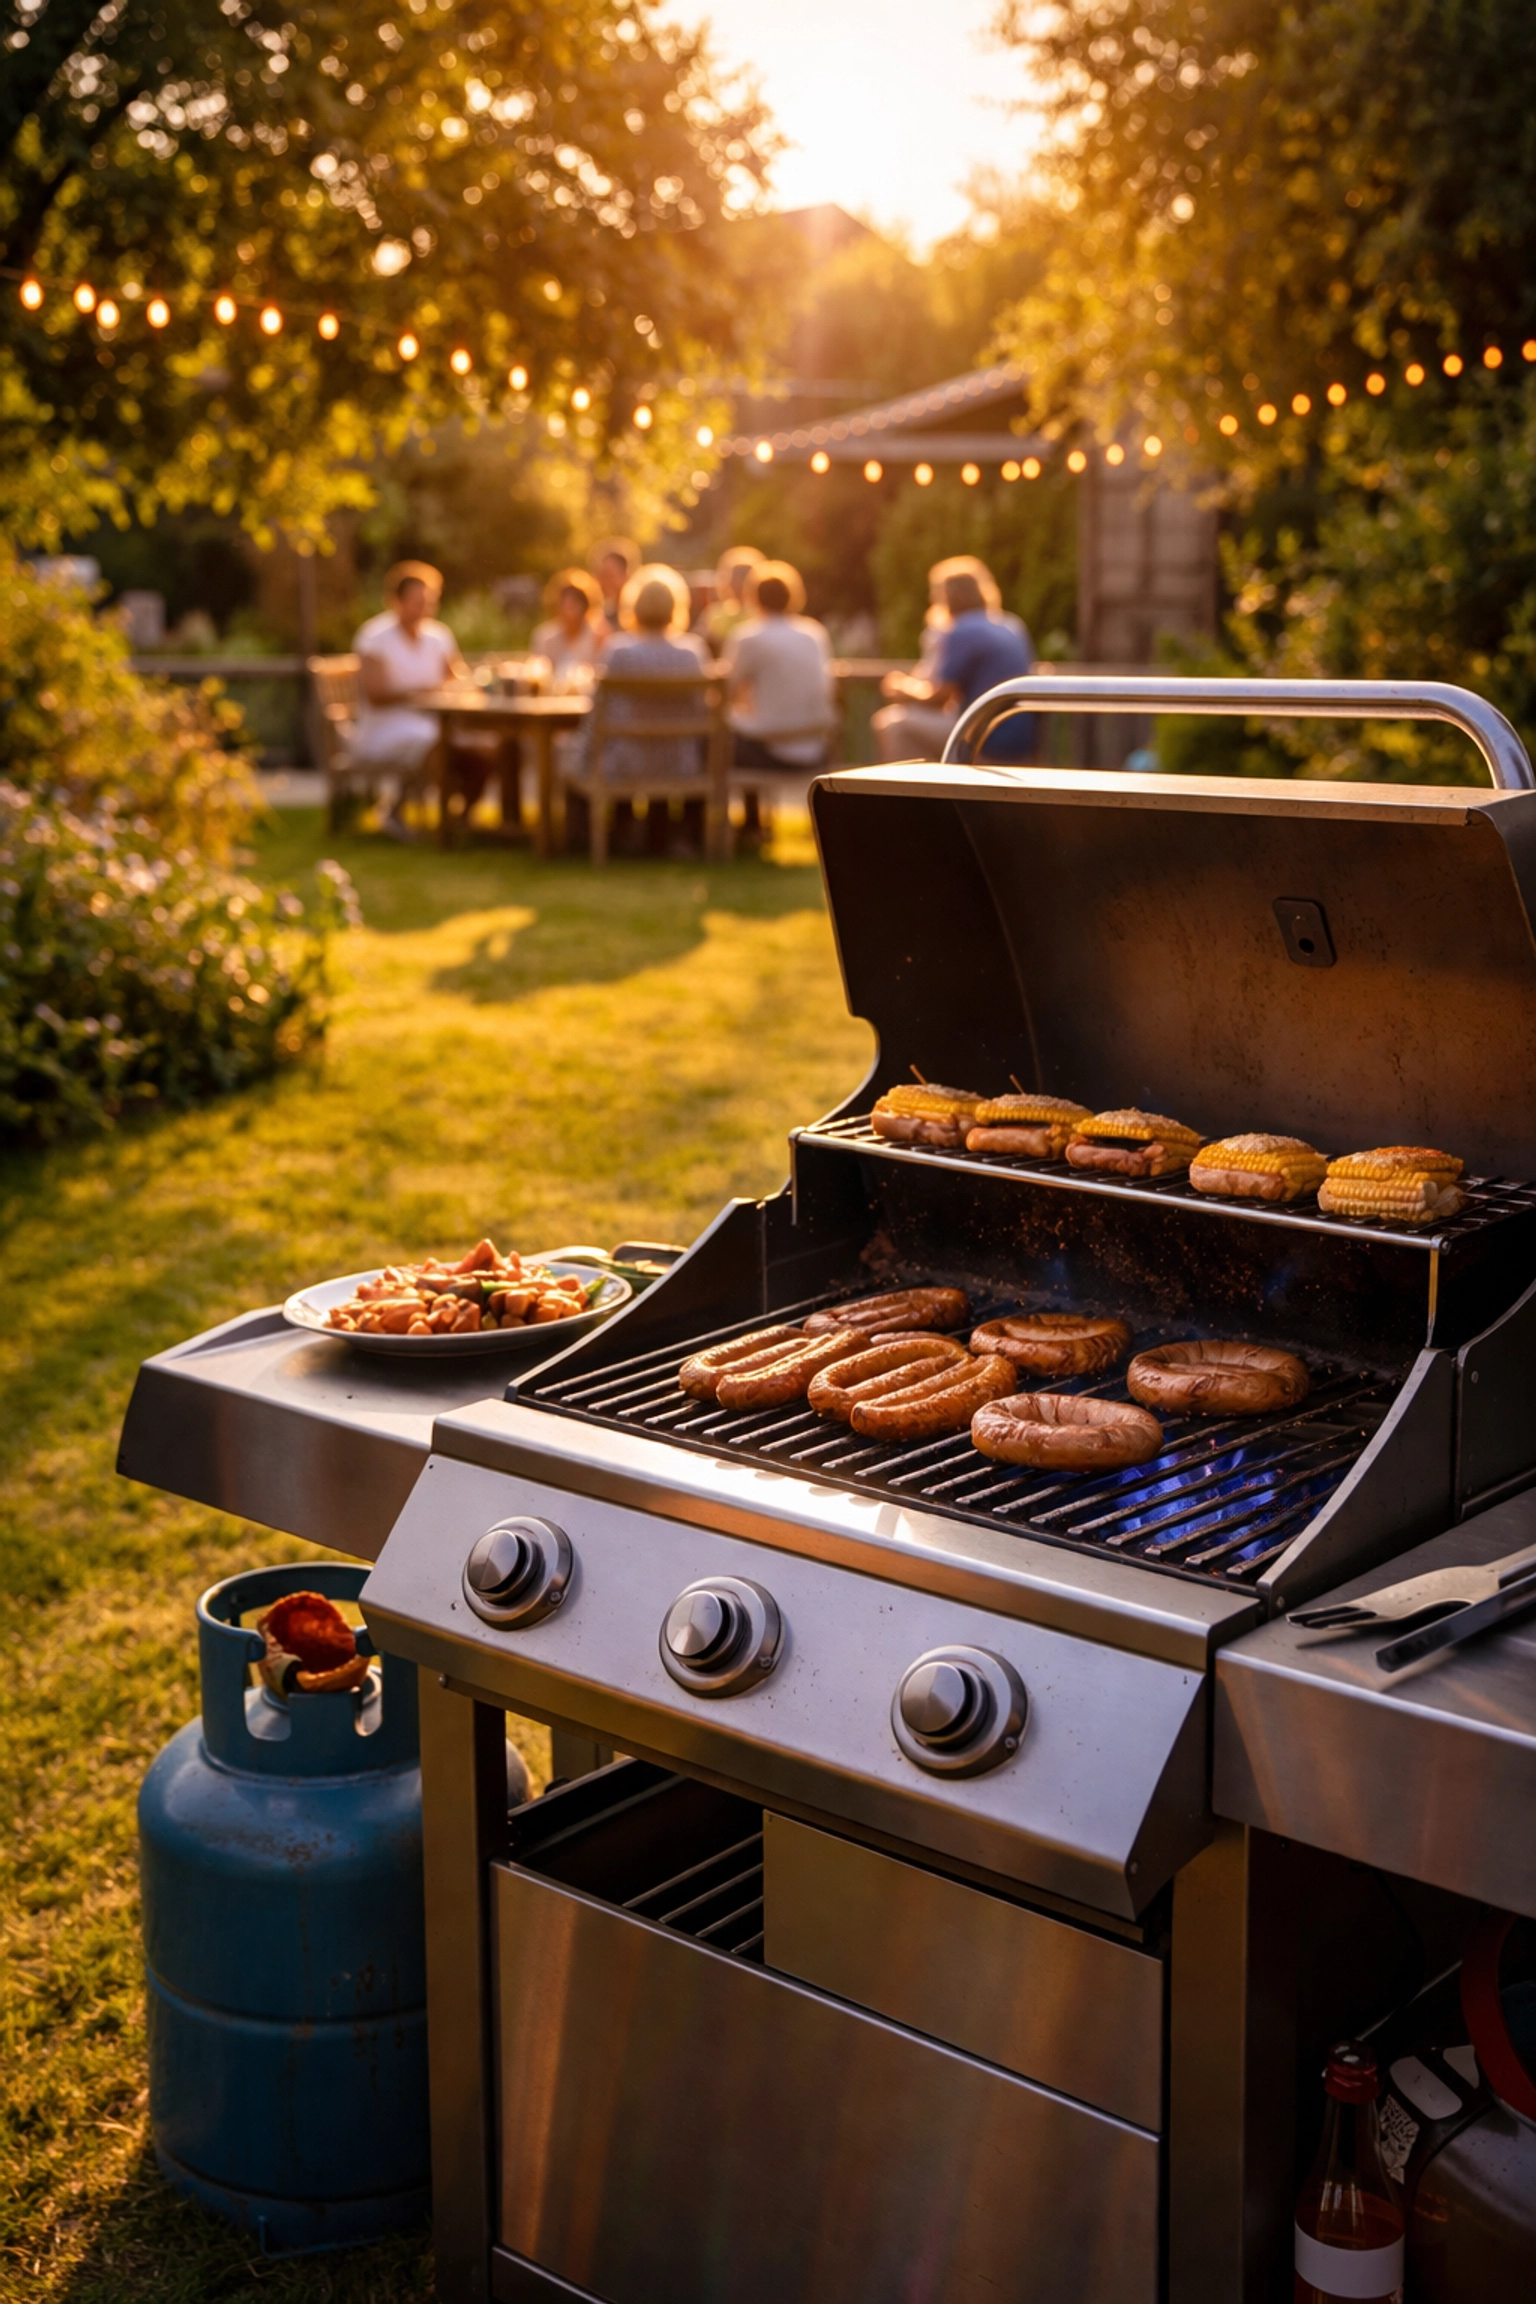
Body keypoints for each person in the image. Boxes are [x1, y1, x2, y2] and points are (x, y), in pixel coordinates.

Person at [585, 568, 710, 854]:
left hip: (629, 760)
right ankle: (677, 836)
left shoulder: (619, 651)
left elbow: (598, 710)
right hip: (680, 762)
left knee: (598, 748)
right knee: (684, 749)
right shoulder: (692, 652)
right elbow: (702, 708)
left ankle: (620, 832)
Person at [350, 562, 474, 834]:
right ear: (396, 601)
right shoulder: (374, 638)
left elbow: (458, 678)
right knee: (435, 743)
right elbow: (376, 695)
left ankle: (464, 816)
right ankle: (400, 812)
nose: (425, 609)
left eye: (429, 602)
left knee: (485, 745)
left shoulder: (439, 636)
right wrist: (421, 695)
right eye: (417, 602)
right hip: (385, 726)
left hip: (433, 722)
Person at [872, 559, 1035, 763]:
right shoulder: (1011, 624)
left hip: (986, 737)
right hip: (1021, 740)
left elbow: (939, 696)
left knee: (892, 724)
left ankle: (910, 792)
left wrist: (902, 689)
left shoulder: (961, 630)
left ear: (947, 597)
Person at [723, 562, 836, 772]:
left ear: (753, 597)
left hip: (770, 747)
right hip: (817, 748)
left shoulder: (748, 637)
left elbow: (726, 690)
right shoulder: (815, 634)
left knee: (718, 738)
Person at [531, 568, 606, 683]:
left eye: (576, 603)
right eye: (566, 603)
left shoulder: (598, 637)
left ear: (586, 605)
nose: (570, 611)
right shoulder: (544, 636)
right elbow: (537, 674)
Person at [704, 543, 764, 654]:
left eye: (743, 578)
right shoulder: (716, 614)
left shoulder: (763, 615)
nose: (737, 583)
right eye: (735, 578)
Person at [592, 536, 641, 633]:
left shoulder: (640, 615)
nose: (602, 582)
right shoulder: (602, 616)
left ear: (627, 576)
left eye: (609, 576)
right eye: (601, 575)